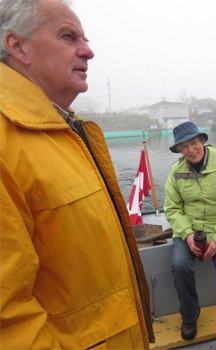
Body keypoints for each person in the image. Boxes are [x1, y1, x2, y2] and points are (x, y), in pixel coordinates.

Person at [0, 0, 154, 348]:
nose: (88, 51)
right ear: (17, 46)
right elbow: (8, 321)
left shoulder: (65, 129)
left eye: (84, 38)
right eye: (68, 37)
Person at [164, 121, 216, 349]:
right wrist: (187, 234)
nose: (191, 150)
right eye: (184, 146)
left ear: (203, 141)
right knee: (179, 266)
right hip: (188, 230)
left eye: (194, 143)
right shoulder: (176, 172)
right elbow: (173, 209)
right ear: (179, 150)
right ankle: (189, 315)